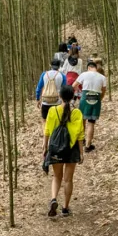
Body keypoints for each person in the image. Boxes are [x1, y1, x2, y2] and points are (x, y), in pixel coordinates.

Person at [43, 86, 83, 216]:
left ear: (59, 96)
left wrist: (45, 146)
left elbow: (47, 130)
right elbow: (80, 135)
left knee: (57, 176)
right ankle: (65, 208)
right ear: (73, 97)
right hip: (71, 149)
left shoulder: (52, 110)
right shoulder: (76, 113)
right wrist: (81, 153)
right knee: (68, 179)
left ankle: (54, 198)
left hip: (55, 148)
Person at [74, 60, 108, 152]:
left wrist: (76, 94)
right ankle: (88, 145)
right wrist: (100, 98)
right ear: (95, 68)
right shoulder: (102, 77)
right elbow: (104, 90)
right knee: (91, 122)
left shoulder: (84, 74)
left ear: (88, 68)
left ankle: (81, 141)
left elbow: (74, 86)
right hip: (96, 99)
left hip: (85, 97)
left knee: (82, 120)